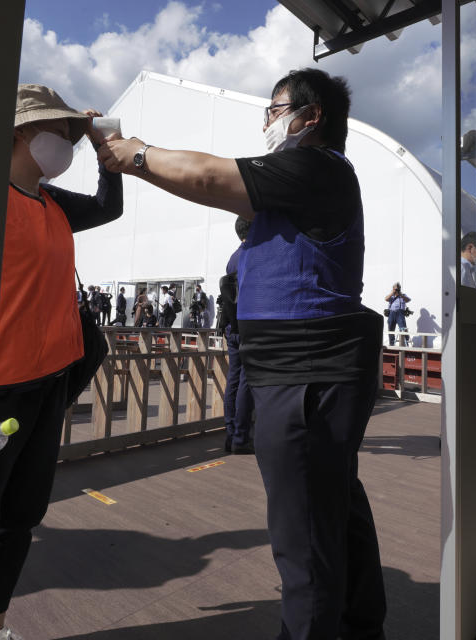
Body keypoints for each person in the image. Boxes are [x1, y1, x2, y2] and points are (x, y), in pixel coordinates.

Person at [99, 67, 387, 640]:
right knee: (333, 505)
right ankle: (359, 624)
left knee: (301, 532)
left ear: (312, 117)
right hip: (309, 372)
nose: (267, 122)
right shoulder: (303, 187)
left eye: (274, 109)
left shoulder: (313, 167)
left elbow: (207, 176)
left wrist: (133, 153)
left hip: (305, 376)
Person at [0, 84, 122, 640]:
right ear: (18, 133)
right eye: (57, 134)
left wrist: (94, 141)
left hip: (49, 383)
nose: (66, 146)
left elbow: (110, 206)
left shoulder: (55, 202)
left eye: (69, 136)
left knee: (22, 513)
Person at [221, 217, 255, 455]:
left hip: (231, 327)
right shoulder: (253, 255)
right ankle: (241, 437)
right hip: (248, 327)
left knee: (233, 379)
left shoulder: (233, 257)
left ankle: (231, 433)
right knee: (246, 380)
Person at [385, 282, 411, 346]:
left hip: (400, 313)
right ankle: (391, 344)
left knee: (403, 329)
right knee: (390, 329)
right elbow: (386, 299)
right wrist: (392, 292)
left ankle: (406, 344)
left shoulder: (403, 295)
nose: (397, 290)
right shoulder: (391, 296)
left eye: (398, 289)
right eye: (396, 289)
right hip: (392, 313)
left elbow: (408, 300)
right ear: (393, 288)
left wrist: (400, 295)